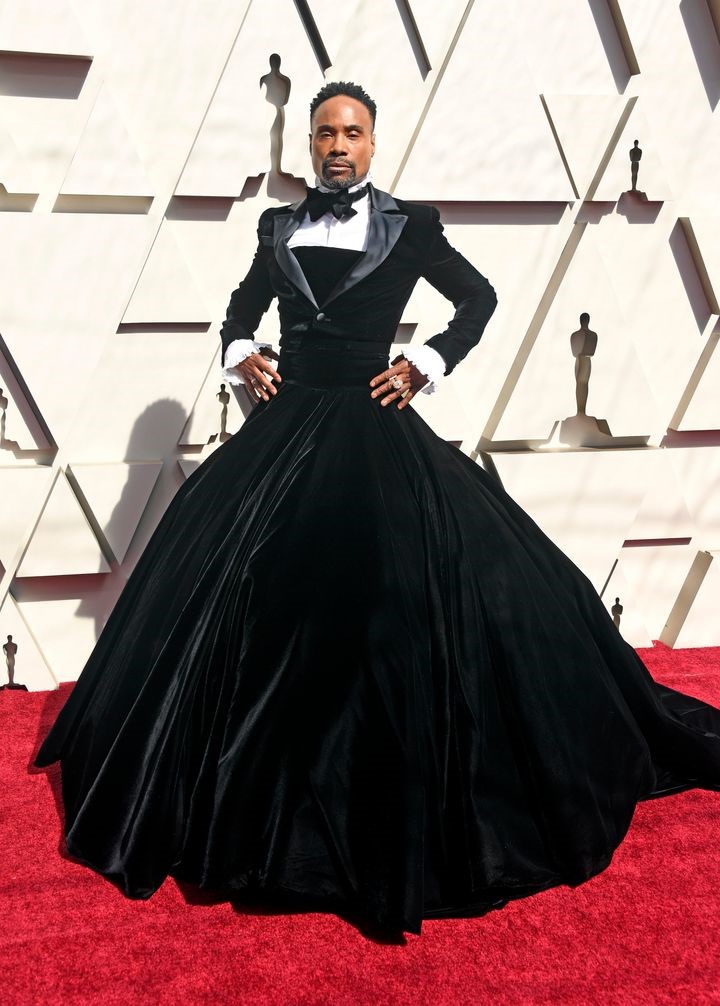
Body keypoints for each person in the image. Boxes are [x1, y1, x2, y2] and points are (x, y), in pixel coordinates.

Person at [34, 81, 720, 938]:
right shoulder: (276, 228)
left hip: (374, 424)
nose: (338, 145)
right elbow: (242, 309)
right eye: (325, 132)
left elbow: (478, 299)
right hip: (285, 430)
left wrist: (427, 362)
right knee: (251, 601)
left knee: (397, 601)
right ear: (308, 143)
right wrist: (243, 349)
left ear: (372, 143)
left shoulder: (411, 226)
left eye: (352, 133)